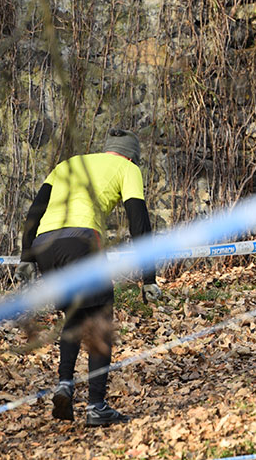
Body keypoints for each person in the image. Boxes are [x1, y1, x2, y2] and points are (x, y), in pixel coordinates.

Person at [19, 128, 154, 426]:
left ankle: (65, 385)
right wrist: (149, 277)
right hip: (81, 242)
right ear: (132, 156)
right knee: (99, 321)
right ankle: (96, 406)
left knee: (74, 314)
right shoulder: (128, 168)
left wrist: (26, 257)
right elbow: (139, 222)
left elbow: (34, 212)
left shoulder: (67, 164)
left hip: (45, 245)